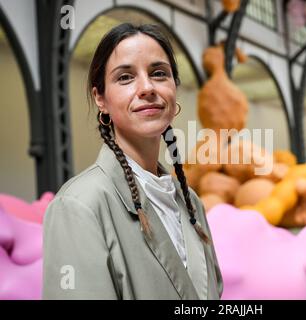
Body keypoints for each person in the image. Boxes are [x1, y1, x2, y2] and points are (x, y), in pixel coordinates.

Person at [43, 23, 223, 300]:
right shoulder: (79, 206)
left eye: (159, 73)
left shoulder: (190, 203)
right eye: (126, 77)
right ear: (100, 98)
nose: (147, 87)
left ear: (174, 86)